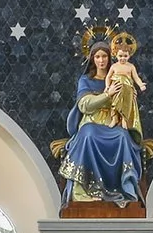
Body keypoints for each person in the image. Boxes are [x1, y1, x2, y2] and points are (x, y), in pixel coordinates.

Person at [61, 38, 147, 207]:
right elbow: (84, 105)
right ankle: (84, 190)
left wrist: (130, 95)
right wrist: (107, 94)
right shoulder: (86, 80)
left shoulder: (119, 76)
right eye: (97, 57)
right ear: (92, 59)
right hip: (91, 122)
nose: (101, 60)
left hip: (112, 122)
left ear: (110, 57)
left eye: (104, 56)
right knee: (88, 135)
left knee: (122, 137)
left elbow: (127, 99)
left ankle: (124, 188)